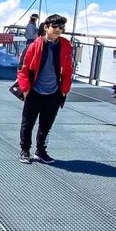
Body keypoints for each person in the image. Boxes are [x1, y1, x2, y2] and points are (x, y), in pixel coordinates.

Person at [15, 14, 73, 164]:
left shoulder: (66, 46)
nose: (58, 30)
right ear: (46, 27)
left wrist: (65, 89)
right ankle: (25, 150)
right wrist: (26, 90)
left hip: (54, 92)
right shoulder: (34, 46)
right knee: (28, 123)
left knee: (46, 125)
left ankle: (41, 151)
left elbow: (68, 70)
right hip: (34, 91)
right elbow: (23, 69)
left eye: (61, 27)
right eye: (55, 27)